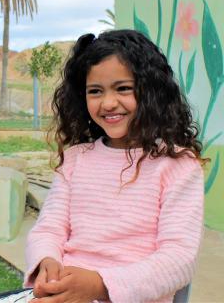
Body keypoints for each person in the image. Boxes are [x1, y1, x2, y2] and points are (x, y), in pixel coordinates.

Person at [24, 29, 205, 303]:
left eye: (123, 88)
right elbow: (49, 229)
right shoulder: (75, 160)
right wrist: (46, 261)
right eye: (95, 91)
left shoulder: (178, 165)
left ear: (152, 90)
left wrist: (99, 285)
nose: (108, 103)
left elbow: (179, 260)